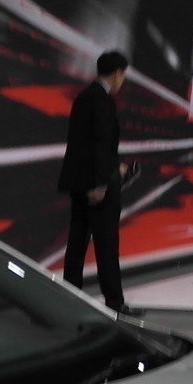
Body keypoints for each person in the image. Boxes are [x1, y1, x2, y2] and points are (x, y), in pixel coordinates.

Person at [58, 49, 131, 311]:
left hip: (78, 181)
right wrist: (101, 183)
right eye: (123, 75)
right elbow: (101, 144)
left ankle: (69, 296)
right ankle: (115, 302)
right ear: (117, 73)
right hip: (98, 185)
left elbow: (82, 145)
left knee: (77, 241)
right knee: (106, 243)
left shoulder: (83, 97)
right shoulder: (104, 101)